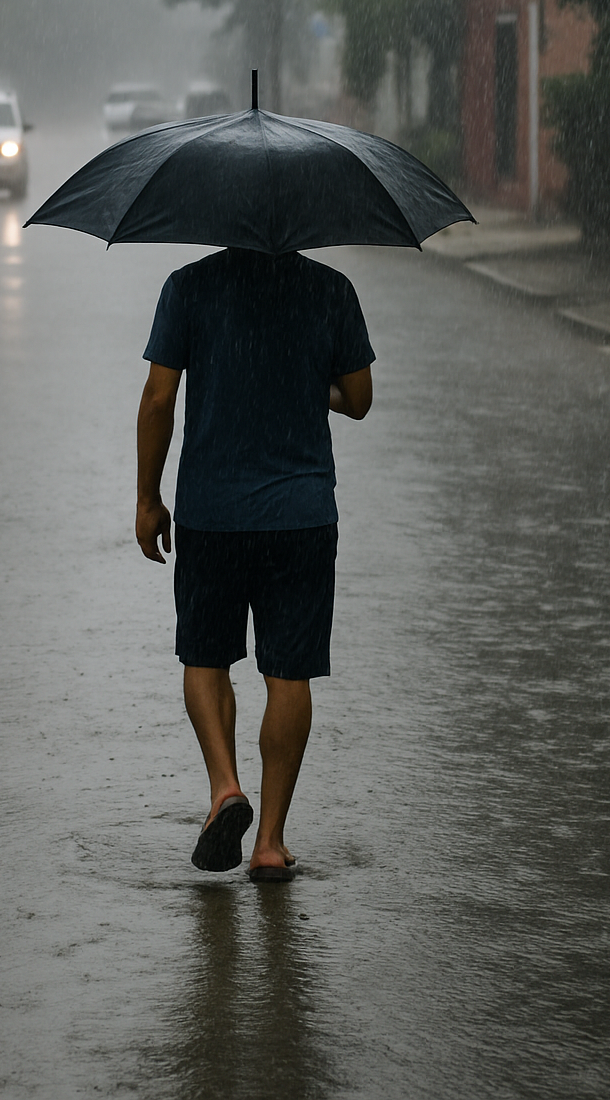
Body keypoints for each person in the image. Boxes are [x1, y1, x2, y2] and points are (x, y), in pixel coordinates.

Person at [135, 247, 374, 881]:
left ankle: (224, 789)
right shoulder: (330, 289)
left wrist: (147, 498)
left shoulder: (189, 288)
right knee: (289, 674)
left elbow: (158, 400)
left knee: (205, 657)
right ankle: (270, 841)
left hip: (212, 513)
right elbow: (358, 398)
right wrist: (301, 380)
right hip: (300, 516)